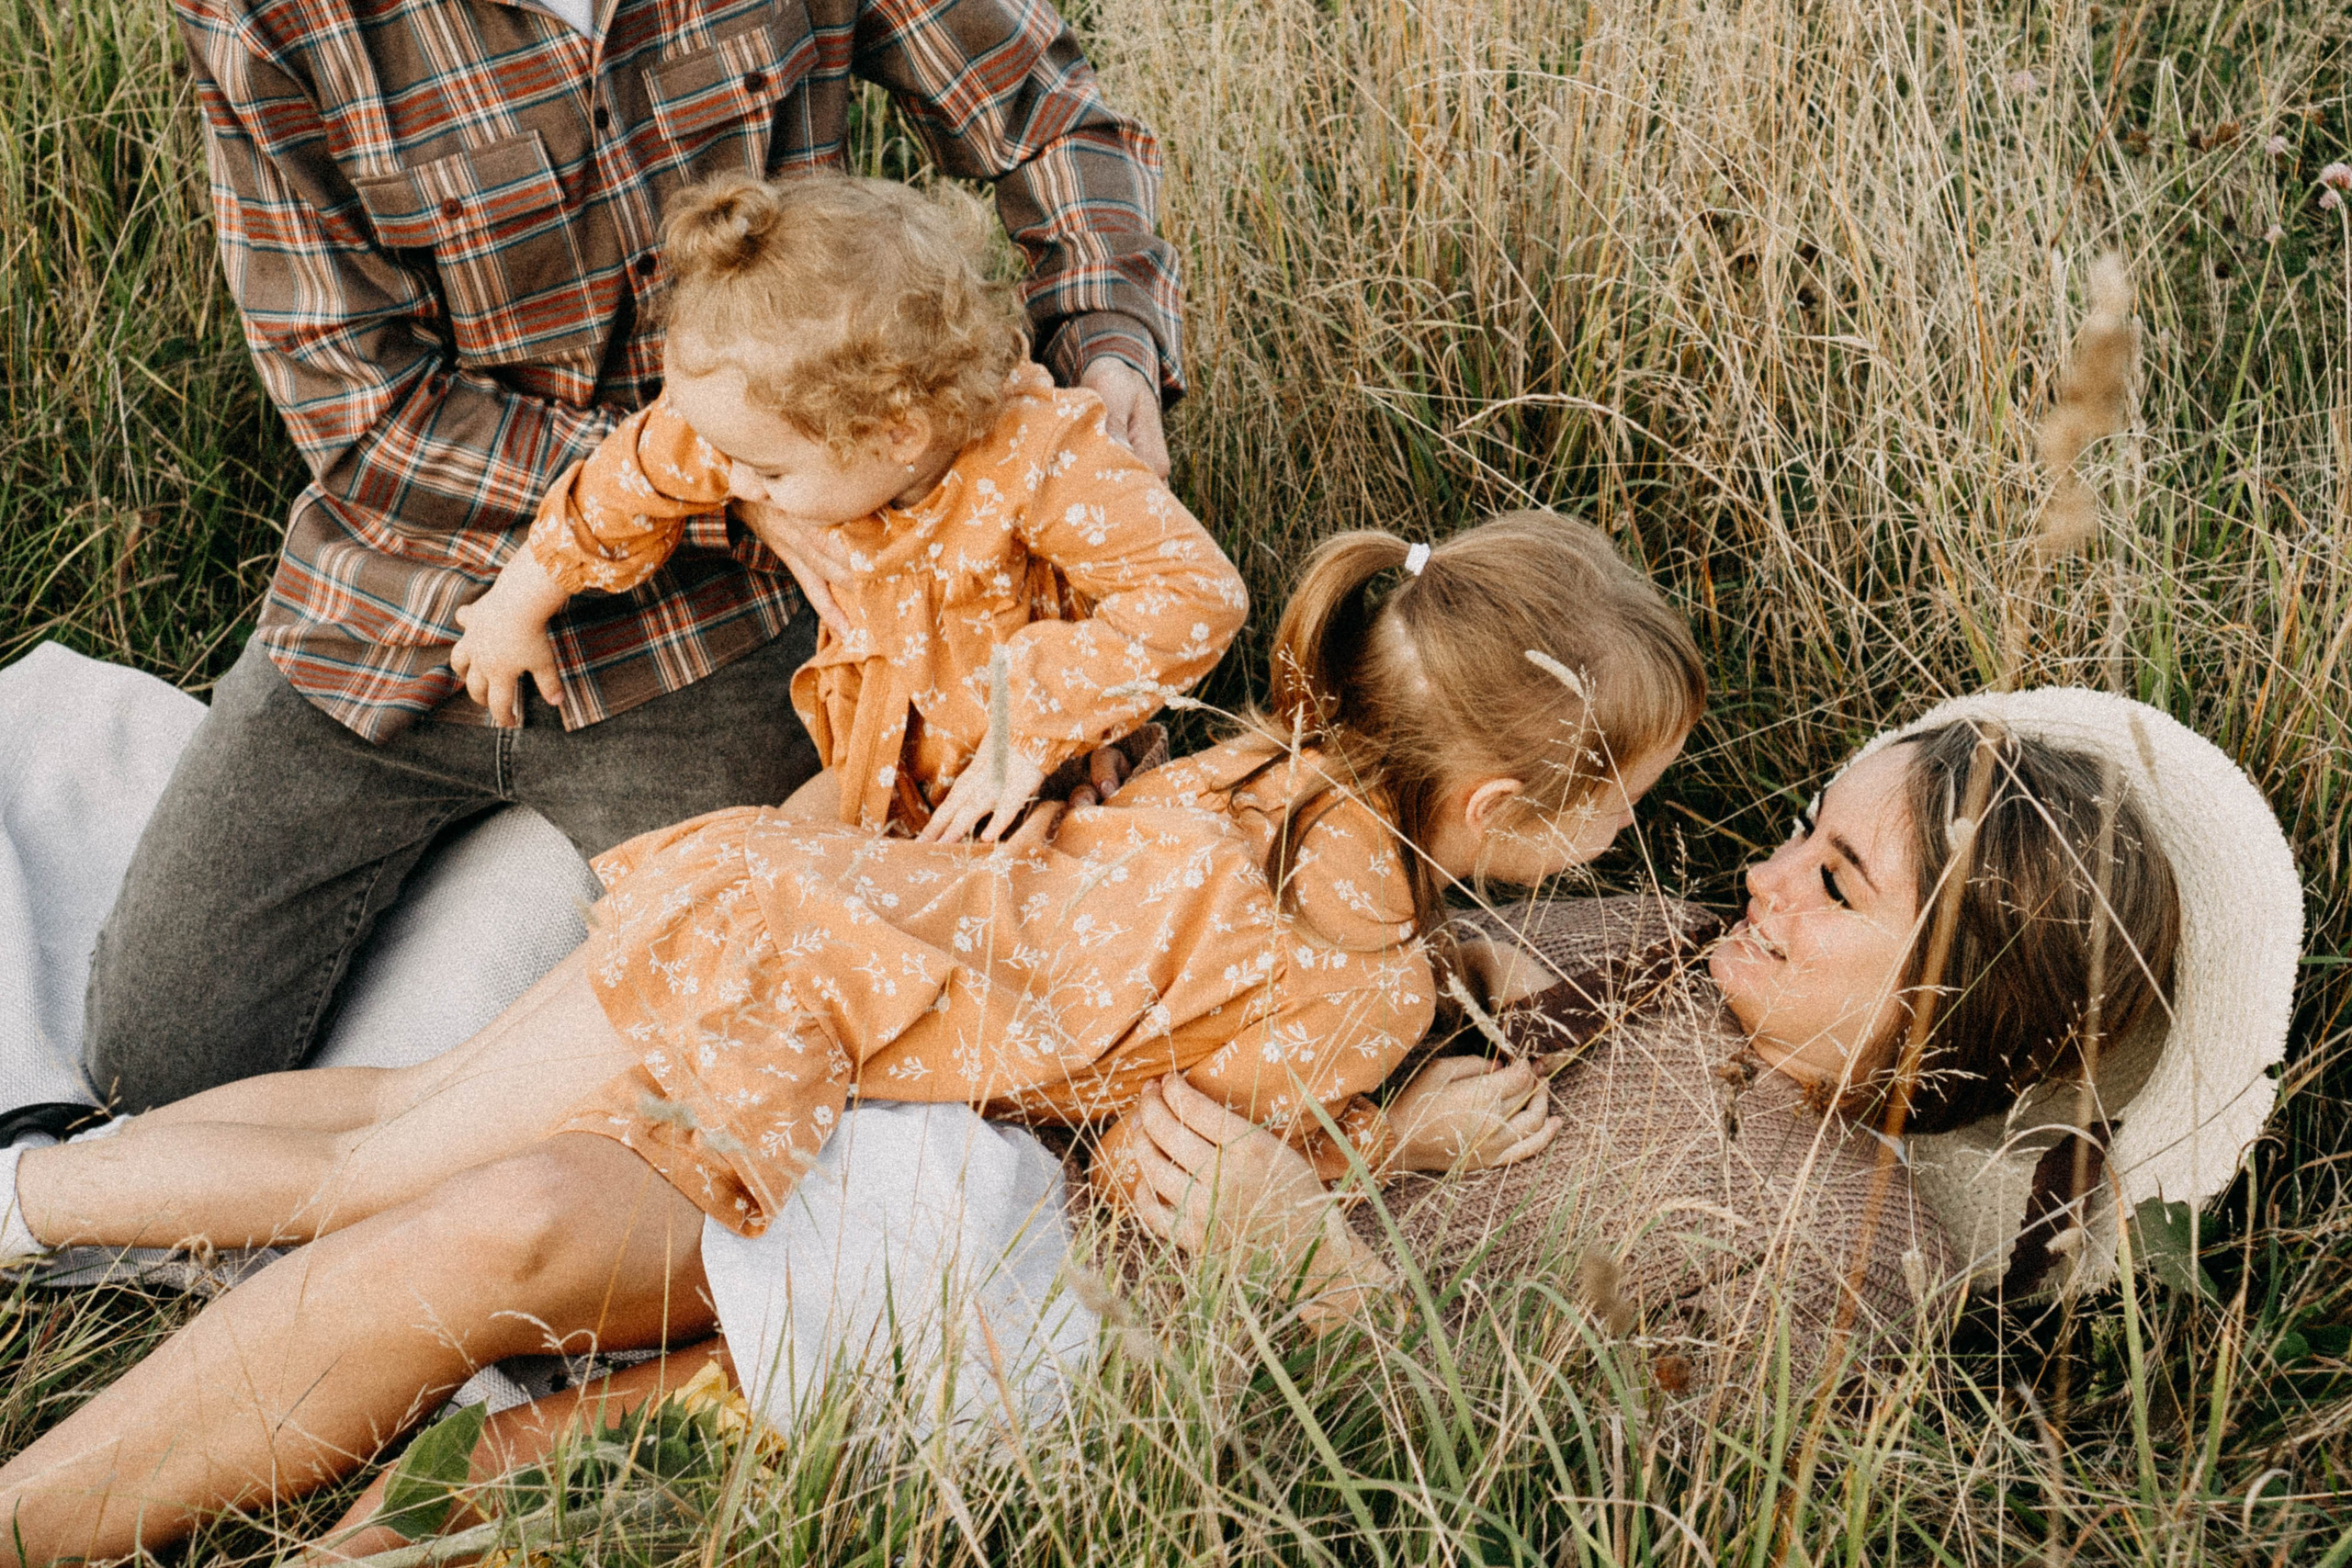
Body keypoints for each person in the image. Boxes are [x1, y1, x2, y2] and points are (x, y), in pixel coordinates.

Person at [0, 512, 1707, 1557]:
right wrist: (1396, 1137)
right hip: (802, 1015)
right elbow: (1165, 1162)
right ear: (1494, 801)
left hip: (779, 906)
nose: (1618, 844)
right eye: (1615, 809)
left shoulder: (1239, 758)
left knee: (396, 1112)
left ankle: (44, 1204)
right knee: (375, 1174)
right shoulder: (1367, 987)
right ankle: (34, 1209)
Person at [84, 0, 1189, 1112]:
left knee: (755, 1069)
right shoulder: (271, 18)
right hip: (402, 606)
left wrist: (1111, 347)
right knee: (149, 1078)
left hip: (717, 638)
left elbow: (1046, 117)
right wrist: (735, 485)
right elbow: (364, 409)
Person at [1119, 710, 2195, 1405]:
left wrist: (1306, 1266)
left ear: (1949, 998)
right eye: (1800, 829)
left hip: (1124, 1374)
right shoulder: (1665, 938)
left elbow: (1562, 1491)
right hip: (1092, 1141)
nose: (1764, 876)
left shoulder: (1850, 1248)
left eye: (1834, 884)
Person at [451, 172, 1247, 841]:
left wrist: (1031, 727)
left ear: (898, 429)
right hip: (878, 759)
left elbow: (1198, 594)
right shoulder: (762, 419)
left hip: (1038, 773)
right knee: (747, 874)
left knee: (1000, 944)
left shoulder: (1039, 459)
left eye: (763, 471)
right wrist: (516, 606)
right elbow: (637, 471)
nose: (735, 482)